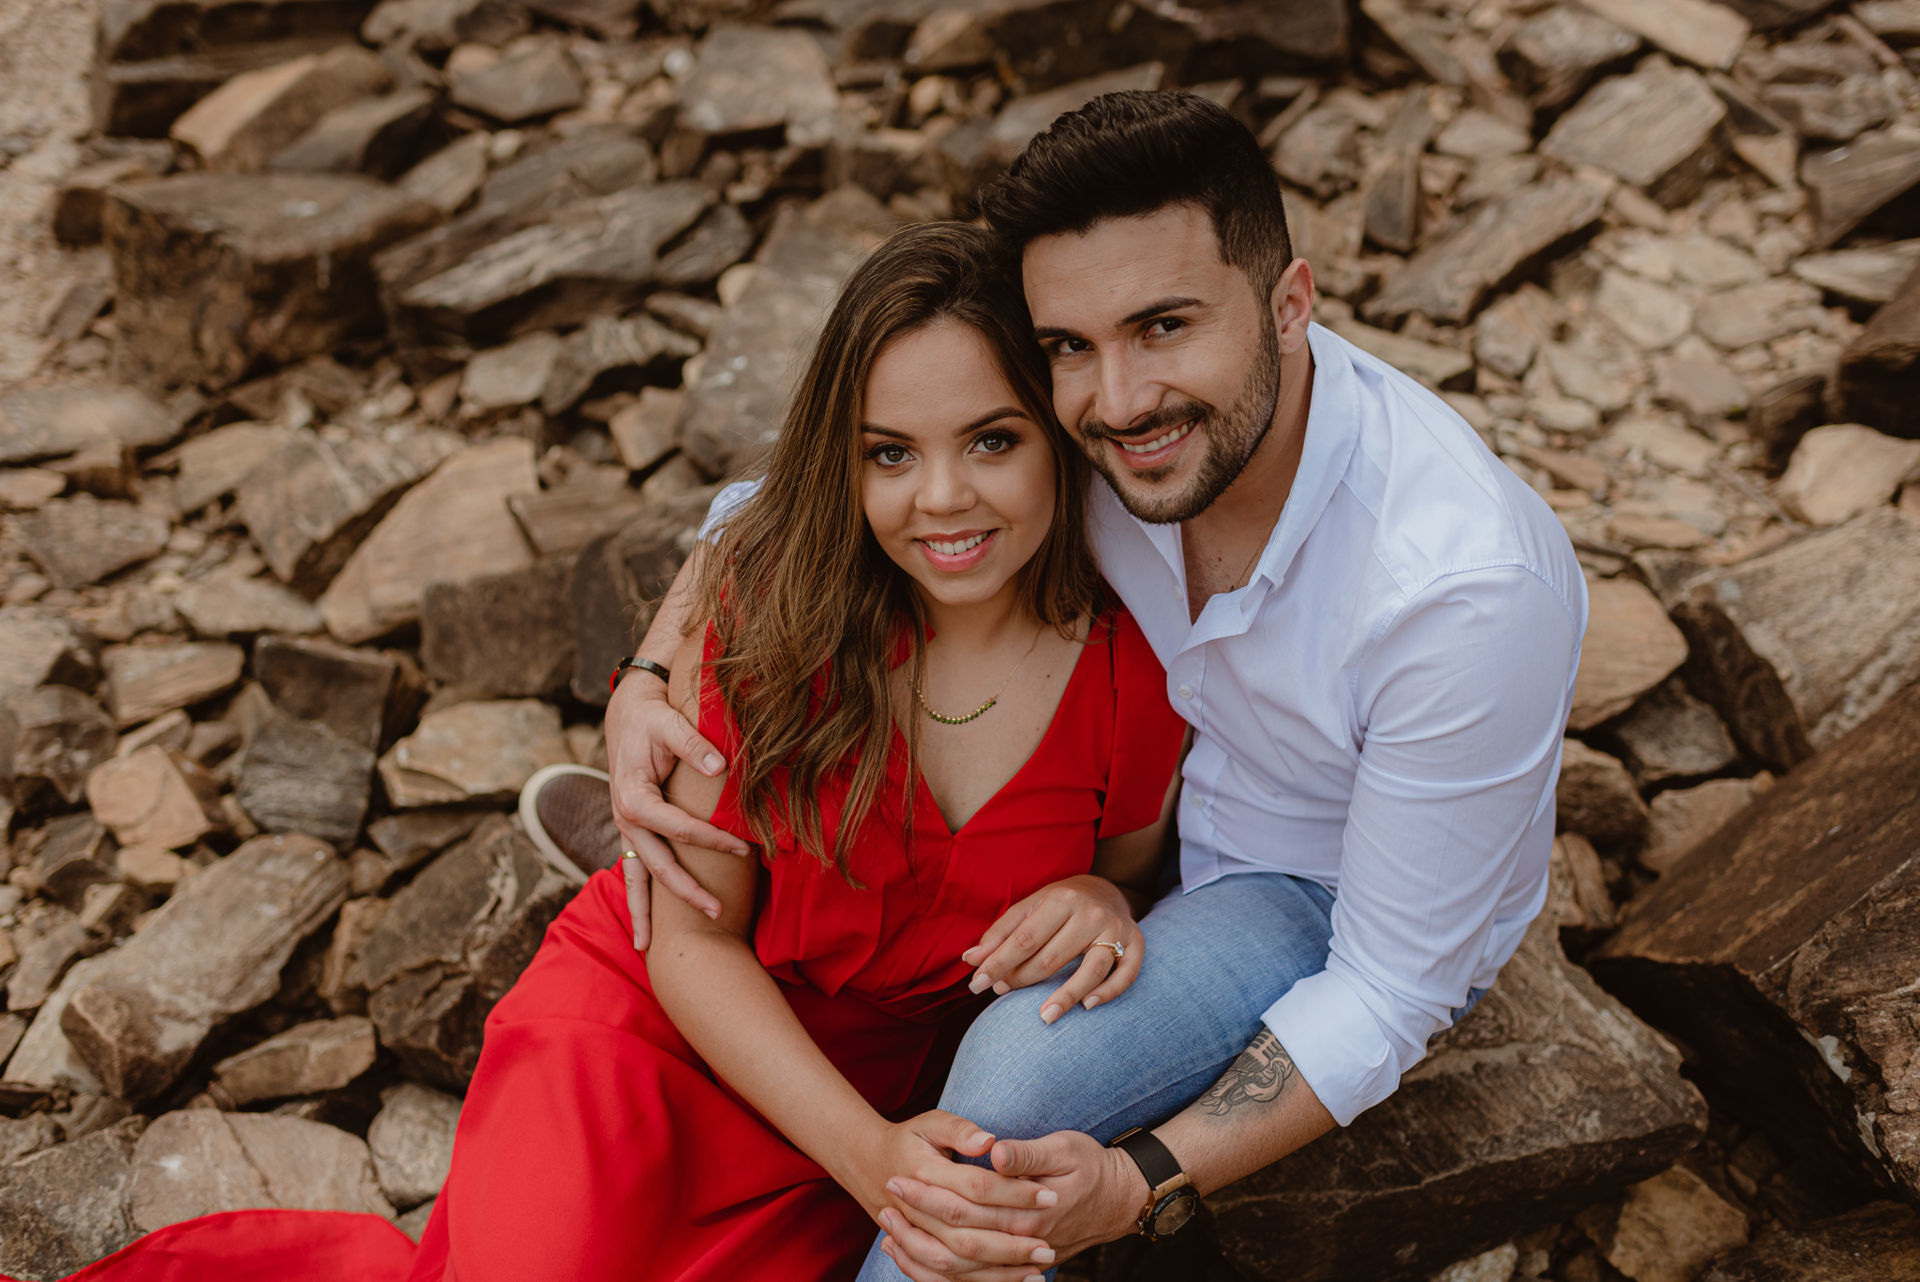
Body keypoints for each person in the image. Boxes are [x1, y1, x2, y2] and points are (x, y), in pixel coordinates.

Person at [25, 222, 1184, 1282]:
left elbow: (1130, 866)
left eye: (992, 440)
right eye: (889, 453)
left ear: (1063, 435)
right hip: (648, 1043)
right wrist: (874, 1161)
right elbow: (692, 944)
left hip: (844, 1106)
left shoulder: (1135, 676)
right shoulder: (783, 625)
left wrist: (1095, 893)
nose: (941, 498)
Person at [582, 89, 1588, 1280]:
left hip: (1302, 881)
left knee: (1012, 1085)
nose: (1118, 398)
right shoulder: (1101, 436)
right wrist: (648, 674)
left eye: (1164, 324)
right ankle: (734, 835)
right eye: (1072, 345)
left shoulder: (1462, 590)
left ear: (1291, 305)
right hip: (1107, 818)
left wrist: (1142, 1178)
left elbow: (1386, 989)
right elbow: (783, 503)